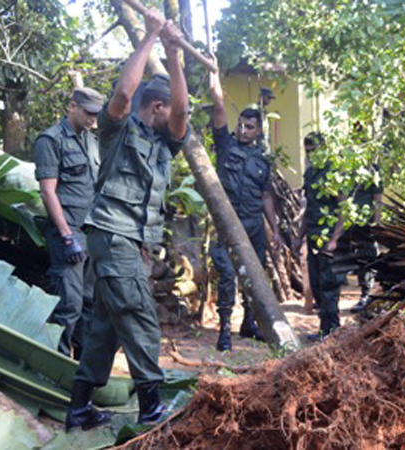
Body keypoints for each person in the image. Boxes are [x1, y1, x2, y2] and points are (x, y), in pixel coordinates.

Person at [65, 8, 189, 432]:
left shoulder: (165, 144)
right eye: (169, 109)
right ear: (156, 106)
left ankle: (80, 408)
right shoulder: (117, 130)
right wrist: (151, 35)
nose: (179, 118)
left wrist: (174, 53)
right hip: (111, 234)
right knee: (139, 317)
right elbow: (122, 93)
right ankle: (152, 407)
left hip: (130, 242)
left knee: (106, 328)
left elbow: (182, 114)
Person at [208, 61, 281, 352]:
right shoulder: (226, 146)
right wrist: (214, 74)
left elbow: (266, 197)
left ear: (259, 131)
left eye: (249, 127)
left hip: (253, 225)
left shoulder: (263, 160)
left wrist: (275, 229)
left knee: (254, 274)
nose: (242, 129)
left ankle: (249, 323)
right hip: (229, 223)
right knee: (227, 275)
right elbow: (218, 108)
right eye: (241, 125)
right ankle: (224, 330)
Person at [34, 87, 104, 359]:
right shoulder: (51, 140)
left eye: (96, 114)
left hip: (92, 232)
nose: (93, 119)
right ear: (72, 106)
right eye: (88, 112)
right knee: (69, 306)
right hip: (69, 233)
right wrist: (66, 236)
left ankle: (83, 371)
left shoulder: (92, 141)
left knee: (89, 304)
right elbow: (48, 191)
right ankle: (58, 369)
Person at [293, 132, 346, 340]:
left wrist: (335, 239)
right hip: (314, 236)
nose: (311, 155)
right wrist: (299, 237)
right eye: (308, 151)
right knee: (316, 284)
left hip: (329, 237)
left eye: (314, 151)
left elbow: (344, 210)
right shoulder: (310, 174)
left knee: (329, 285)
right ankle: (325, 328)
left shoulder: (334, 174)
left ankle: (333, 330)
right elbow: (310, 209)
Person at [349, 172, 383, 313]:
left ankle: (366, 295)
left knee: (366, 258)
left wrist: (376, 224)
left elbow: (377, 199)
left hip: (365, 222)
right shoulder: (346, 167)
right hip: (348, 221)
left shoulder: (372, 170)